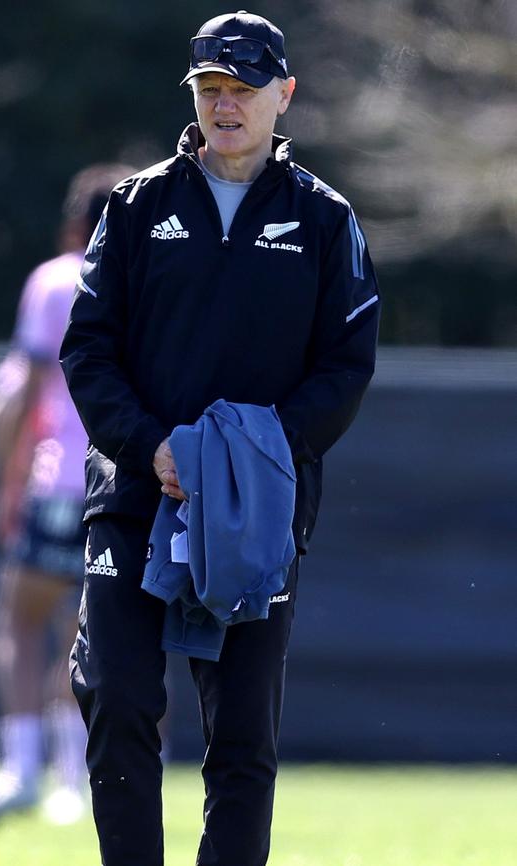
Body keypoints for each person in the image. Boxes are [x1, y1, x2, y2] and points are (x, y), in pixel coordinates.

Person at [60, 10, 380, 866]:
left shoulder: (324, 219)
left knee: (240, 736)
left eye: (242, 88)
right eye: (210, 88)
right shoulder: (135, 207)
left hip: (256, 516)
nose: (225, 104)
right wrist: (152, 447)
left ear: (285, 94)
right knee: (118, 699)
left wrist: (254, 456)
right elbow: (87, 351)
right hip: (133, 498)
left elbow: (345, 368)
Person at [0, 163, 134, 828]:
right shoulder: (150, 277)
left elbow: (24, 396)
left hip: (59, 481)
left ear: (72, 224)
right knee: (93, 634)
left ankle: (19, 768)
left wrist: (6, 484)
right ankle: (77, 779)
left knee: (21, 618)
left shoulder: (57, 279)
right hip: (130, 484)